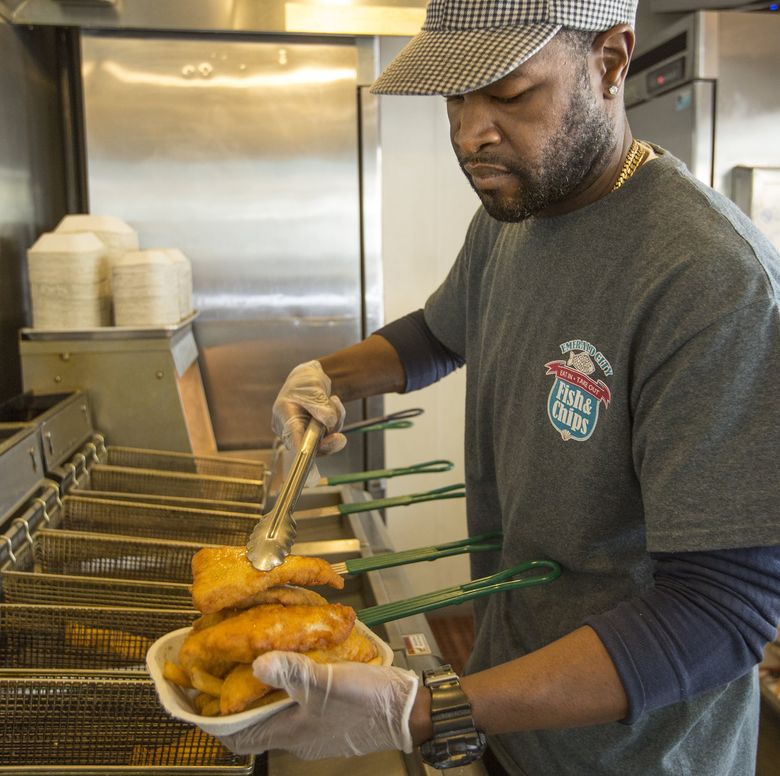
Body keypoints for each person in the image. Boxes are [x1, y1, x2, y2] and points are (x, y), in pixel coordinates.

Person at [220, 1, 780, 773]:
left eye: (510, 93)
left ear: (612, 62)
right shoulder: (517, 210)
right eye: (454, 96)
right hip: (514, 719)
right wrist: (328, 379)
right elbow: (445, 331)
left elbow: (720, 613)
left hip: (634, 754)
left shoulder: (710, 282)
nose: (468, 134)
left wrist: (429, 708)